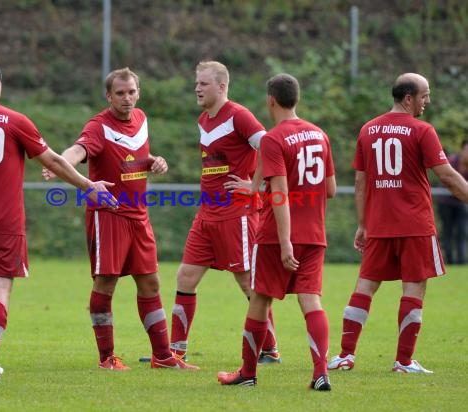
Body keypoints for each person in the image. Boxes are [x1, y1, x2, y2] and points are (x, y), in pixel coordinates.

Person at [0, 58, 115, 379]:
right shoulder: (14, 121)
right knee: (0, 291)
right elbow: (53, 160)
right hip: (5, 221)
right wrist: (87, 185)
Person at [43, 67, 198, 370]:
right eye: (120, 93)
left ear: (139, 92)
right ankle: (107, 358)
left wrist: (154, 161)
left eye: (131, 92)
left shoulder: (141, 119)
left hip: (138, 217)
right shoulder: (99, 126)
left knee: (151, 284)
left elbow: (135, 156)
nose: (127, 99)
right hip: (109, 215)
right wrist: (59, 163)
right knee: (106, 284)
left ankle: (163, 357)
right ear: (108, 96)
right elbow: (78, 150)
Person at [327, 73, 468, 374]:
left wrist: (363, 224)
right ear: (408, 98)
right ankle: (403, 362)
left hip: (379, 224)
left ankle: (344, 355)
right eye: (424, 95)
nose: (427, 101)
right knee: (413, 289)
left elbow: (360, 182)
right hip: (415, 224)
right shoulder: (422, 130)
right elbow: (447, 176)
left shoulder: (367, 129)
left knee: (364, 286)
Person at [217, 73, 336, 390]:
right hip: (314, 234)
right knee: (311, 301)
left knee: (260, 301)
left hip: (275, 237)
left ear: (271, 100)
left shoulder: (273, 138)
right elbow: (331, 189)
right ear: (297, 99)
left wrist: (285, 242)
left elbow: (280, 192)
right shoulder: (319, 135)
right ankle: (320, 372)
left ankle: (247, 373)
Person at [169, 61, 280, 364]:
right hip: (207, 213)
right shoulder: (204, 119)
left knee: (246, 281)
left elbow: (269, 146)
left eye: (203, 84)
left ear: (221, 87)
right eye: (196, 84)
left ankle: (269, 350)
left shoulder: (239, 116)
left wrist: (254, 185)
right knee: (186, 277)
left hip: (236, 213)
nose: (197, 89)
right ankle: (175, 351)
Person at [437, 139, 468, 264]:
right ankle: (449, 261)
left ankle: (461, 261)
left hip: (461, 203)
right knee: (447, 232)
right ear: (462, 150)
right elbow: (446, 179)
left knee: (462, 232)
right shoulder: (450, 161)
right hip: (446, 202)